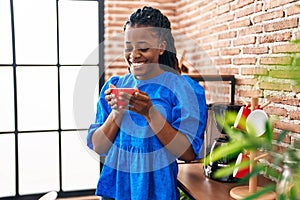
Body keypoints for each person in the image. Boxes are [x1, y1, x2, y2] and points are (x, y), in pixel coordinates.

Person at [87, 6, 207, 200]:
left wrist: (150, 112)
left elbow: (187, 153)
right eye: (128, 48)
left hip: (157, 192)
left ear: (161, 46)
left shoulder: (184, 89)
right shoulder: (116, 86)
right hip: (116, 191)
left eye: (143, 48)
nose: (134, 55)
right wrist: (117, 112)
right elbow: (99, 146)